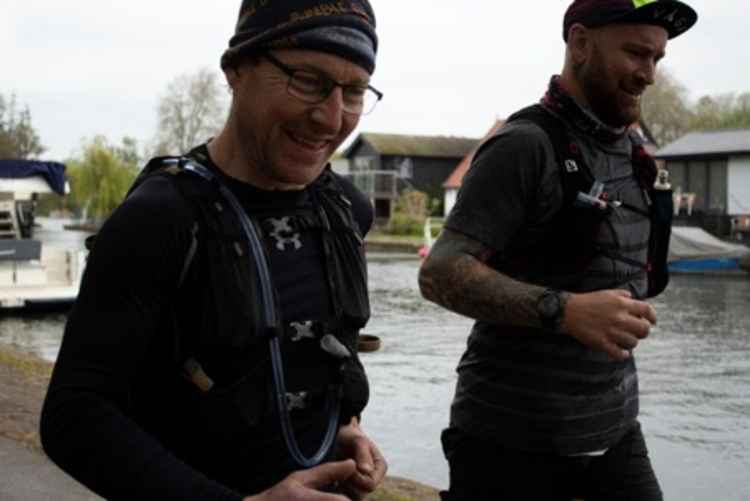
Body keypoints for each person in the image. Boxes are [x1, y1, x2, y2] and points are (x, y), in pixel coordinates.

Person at [40, 2, 387, 500]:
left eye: (353, 91)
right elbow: (73, 415)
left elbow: (308, 358)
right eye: (308, 81)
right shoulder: (162, 217)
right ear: (236, 71)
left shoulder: (346, 212)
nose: (331, 119)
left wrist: (339, 426)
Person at [419, 1, 697, 500]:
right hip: (507, 441)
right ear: (580, 43)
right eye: (635, 54)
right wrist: (565, 311)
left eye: (657, 59)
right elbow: (439, 272)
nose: (648, 75)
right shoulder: (523, 146)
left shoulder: (635, 156)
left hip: (614, 433)